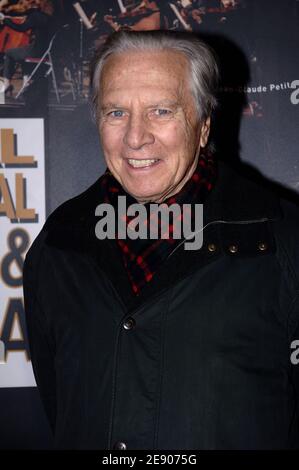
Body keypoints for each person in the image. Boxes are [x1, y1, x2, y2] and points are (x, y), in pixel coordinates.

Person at [23, 29, 299, 450]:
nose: (136, 137)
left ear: (204, 125)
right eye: (116, 112)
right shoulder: (59, 244)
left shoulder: (283, 239)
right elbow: (62, 407)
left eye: (161, 111)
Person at [0, 0, 54, 94]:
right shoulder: (54, 16)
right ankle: (26, 82)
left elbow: (21, 28)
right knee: (23, 52)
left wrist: (5, 20)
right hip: (50, 51)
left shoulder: (36, 16)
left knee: (9, 52)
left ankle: (7, 83)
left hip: (37, 51)